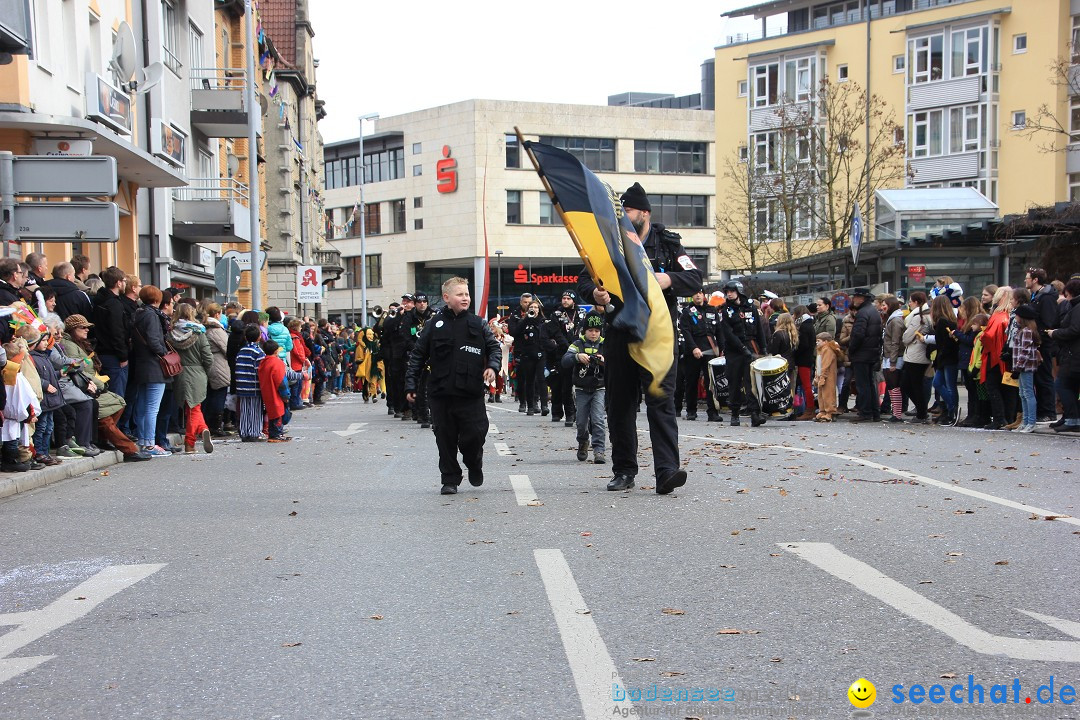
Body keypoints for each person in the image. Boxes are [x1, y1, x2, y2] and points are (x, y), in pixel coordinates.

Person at [577, 182, 698, 494]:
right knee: (619, 406)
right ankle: (624, 470)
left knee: (661, 401)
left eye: (628, 211)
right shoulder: (610, 243)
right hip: (620, 333)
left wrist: (666, 278)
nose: (624, 216)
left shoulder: (668, 245)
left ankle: (667, 471)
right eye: (621, 211)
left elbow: (694, 278)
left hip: (658, 336)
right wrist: (596, 293)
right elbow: (583, 279)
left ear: (644, 213)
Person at [405, 277, 500, 495]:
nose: (465, 298)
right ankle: (450, 478)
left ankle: (474, 462)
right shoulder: (433, 325)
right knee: (445, 438)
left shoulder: (478, 323)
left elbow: (493, 348)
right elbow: (418, 356)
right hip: (441, 393)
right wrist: (410, 385)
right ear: (447, 298)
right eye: (460, 294)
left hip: (470, 393)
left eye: (467, 294)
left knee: (475, 435)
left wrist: (493, 367)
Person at [718, 279, 767, 428]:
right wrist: (742, 349)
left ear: (738, 291)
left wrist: (763, 348)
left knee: (751, 381)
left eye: (732, 291)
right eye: (727, 292)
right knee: (734, 381)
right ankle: (734, 413)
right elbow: (728, 333)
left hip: (751, 346)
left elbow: (759, 329)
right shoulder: (725, 310)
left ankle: (754, 414)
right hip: (734, 350)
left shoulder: (750, 307)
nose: (729, 294)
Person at [562, 312, 606, 464]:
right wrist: (577, 357)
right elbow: (565, 360)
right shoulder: (577, 344)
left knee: (598, 419)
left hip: (599, 388)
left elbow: (617, 363)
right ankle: (583, 441)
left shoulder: (604, 344)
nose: (593, 334)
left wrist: (604, 361)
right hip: (581, 388)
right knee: (581, 421)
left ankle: (599, 450)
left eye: (596, 331)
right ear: (584, 330)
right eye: (590, 330)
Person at [169, 303, 214, 454]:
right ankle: (190, 443)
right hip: (197, 372)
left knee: (191, 408)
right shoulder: (199, 333)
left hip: (179, 372)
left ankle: (203, 429)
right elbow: (208, 358)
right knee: (195, 407)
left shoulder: (171, 333)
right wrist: (205, 371)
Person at [1024, 267, 1059, 422]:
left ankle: (1048, 411)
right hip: (1037, 342)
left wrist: (1039, 339)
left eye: (1027, 277)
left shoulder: (1046, 298)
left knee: (1044, 377)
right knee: (1038, 378)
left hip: (1043, 344)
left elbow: (1048, 321)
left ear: (1035, 279)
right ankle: (1042, 410)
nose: (1025, 280)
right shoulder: (1037, 296)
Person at [680, 290, 721, 422]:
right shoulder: (687, 312)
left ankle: (712, 411)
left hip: (709, 348)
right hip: (693, 350)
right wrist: (693, 348)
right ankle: (691, 410)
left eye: (700, 293)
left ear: (704, 295)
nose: (698, 295)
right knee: (691, 381)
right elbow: (686, 331)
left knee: (711, 382)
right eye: (695, 293)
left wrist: (721, 347)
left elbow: (719, 330)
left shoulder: (711, 310)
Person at [1047, 277, 1080, 433]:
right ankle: (1071, 418)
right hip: (1071, 353)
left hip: (1074, 354)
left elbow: (1074, 330)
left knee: (1062, 384)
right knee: (1069, 386)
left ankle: (1073, 419)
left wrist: (1056, 333)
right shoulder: (1075, 307)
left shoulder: (1077, 308)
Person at [927, 294, 960, 425]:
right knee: (942, 384)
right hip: (948, 357)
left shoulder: (941, 322)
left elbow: (942, 343)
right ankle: (950, 409)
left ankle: (952, 409)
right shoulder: (951, 320)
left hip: (946, 358)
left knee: (945, 385)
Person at [1010, 304, 1042, 433]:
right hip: (1022, 366)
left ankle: (1031, 421)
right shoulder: (1022, 330)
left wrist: (1018, 366)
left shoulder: (1027, 331)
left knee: (1028, 393)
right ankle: (1025, 421)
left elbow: (1025, 351)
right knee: (1022, 394)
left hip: (1026, 367)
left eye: (1017, 315)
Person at [234, 324, 267, 442]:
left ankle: (244, 432)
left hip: (241, 385)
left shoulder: (241, 351)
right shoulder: (258, 352)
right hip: (254, 386)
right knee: (255, 411)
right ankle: (254, 432)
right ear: (259, 338)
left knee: (244, 410)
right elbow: (261, 370)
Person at [258, 340, 292, 442]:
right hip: (276, 393)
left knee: (271, 413)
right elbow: (281, 381)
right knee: (278, 413)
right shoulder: (277, 363)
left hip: (266, 391)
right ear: (276, 351)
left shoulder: (263, 362)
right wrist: (286, 395)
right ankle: (276, 434)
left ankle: (273, 433)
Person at [791, 305, 818, 420]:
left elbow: (804, 345)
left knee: (806, 386)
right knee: (804, 385)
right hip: (807, 359)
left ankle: (809, 409)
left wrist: (795, 351)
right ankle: (807, 408)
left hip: (804, 360)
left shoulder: (804, 327)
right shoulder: (809, 324)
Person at [814, 332, 842, 421]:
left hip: (827, 376)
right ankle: (822, 410)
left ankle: (830, 412)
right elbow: (818, 365)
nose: (817, 343)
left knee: (828, 394)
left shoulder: (828, 350)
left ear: (825, 341)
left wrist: (823, 376)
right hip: (820, 375)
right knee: (821, 394)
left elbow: (826, 365)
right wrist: (816, 376)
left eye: (819, 341)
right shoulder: (820, 350)